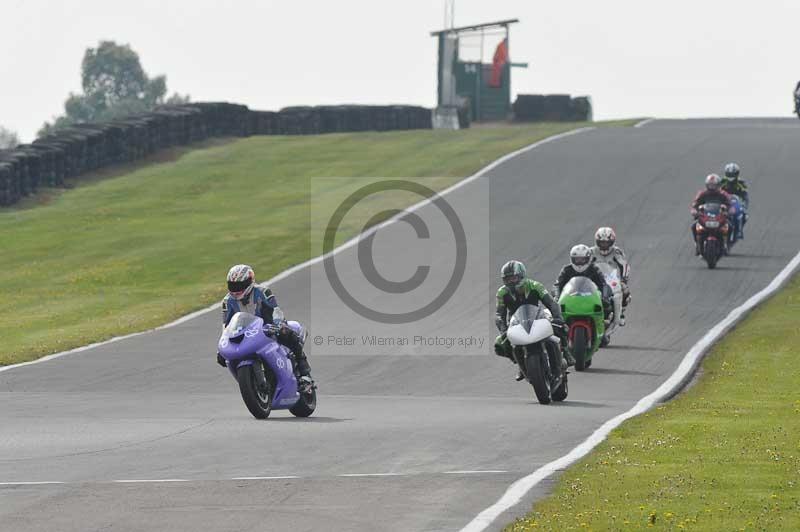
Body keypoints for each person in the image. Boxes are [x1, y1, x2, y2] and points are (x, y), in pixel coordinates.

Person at [217, 264, 312, 381]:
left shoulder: (263, 291)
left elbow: (275, 311)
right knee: (224, 357)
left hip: (267, 327)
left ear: (250, 282)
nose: (236, 289)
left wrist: (277, 325)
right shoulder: (227, 301)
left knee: (285, 332)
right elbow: (226, 325)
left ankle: (304, 369)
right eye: (232, 285)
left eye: (239, 285)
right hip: (245, 333)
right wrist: (222, 346)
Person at [494, 260, 571, 379]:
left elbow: (552, 303)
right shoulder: (502, 292)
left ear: (521, 275)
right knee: (500, 344)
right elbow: (499, 314)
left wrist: (558, 318)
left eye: (513, 278)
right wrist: (503, 330)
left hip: (538, 317)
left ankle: (566, 353)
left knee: (561, 328)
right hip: (516, 323)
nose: (511, 282)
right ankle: (520, 364)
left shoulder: (535, 286)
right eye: (508, 279)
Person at [590, 227, 631, 325]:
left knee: (624, 290)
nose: (604, 246)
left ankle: (620, 313)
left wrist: (623, 280)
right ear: (597, 242)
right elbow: (585, 265)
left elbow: (624, 265)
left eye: (607, 243)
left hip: (611, 277)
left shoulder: (616, 252)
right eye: (601, 243)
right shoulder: (591, 251)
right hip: (595, 278)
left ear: (612, 242)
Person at [690, 174, 733, 255]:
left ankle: (726, 244)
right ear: (706, 185)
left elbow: (730, 205)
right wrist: (694, 211)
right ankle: (697, 244)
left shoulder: (723, 194)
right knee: (694, 226)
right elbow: (695, 204)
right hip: (704, 217)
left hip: (719, 217)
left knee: (729, 226)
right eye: (710, 185)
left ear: (718, 185)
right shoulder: (702, 194)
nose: (712, 187)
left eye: (714, 185)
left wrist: (729, 211)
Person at [720, 162, 749, 239]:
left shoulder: (741, 182)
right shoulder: (721, 181)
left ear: (737, 174)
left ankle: (739, 230)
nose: (731, 176)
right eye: (729, 174)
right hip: (724, 201)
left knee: (744, 215)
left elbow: (745, 195)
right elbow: (716, 191)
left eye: (733, 174)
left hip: (736, 201)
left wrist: (744, 205)